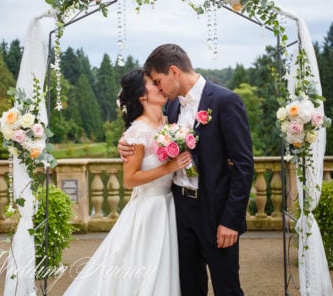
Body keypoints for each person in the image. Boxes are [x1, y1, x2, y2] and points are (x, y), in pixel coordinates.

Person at [119, 44, 254, 296]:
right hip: (178, 210)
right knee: (189, 287)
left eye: (159, 82)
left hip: (215, 212)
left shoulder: (226, 101)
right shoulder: (171, 108)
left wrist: (231, 221)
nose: (158, 89)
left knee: (227, 288)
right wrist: (124, 146)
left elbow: (244, 166)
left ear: (174, 72)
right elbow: (144, 137)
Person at [64, 69, 190, 296]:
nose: (161, 87)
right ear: (142, 95)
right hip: (148, 210)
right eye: (154, 83)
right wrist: (168, 167)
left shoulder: (168, 122)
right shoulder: (137, 132)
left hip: (169, 205)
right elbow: (129, 179)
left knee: (165, 268)